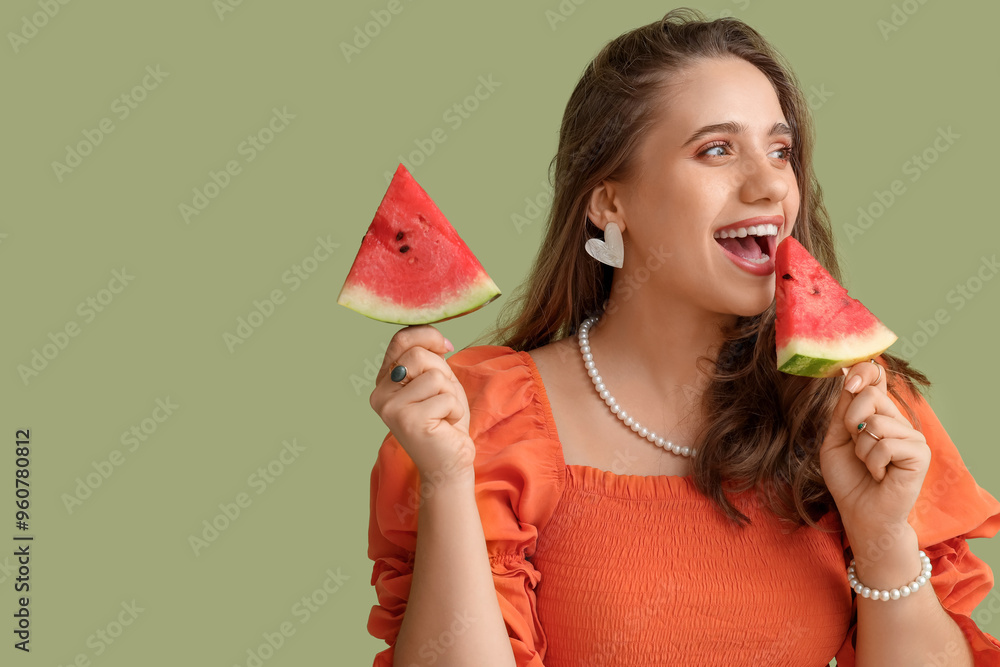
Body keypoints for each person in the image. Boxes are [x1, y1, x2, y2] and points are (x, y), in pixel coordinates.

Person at [365, 8, 1000, 666]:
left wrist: (881, 533)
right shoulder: (485, 419)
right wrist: (445, 480)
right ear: (609, 202)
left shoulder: (859, 409)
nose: (769, 186)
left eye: (780, 150)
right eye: (717, 150)